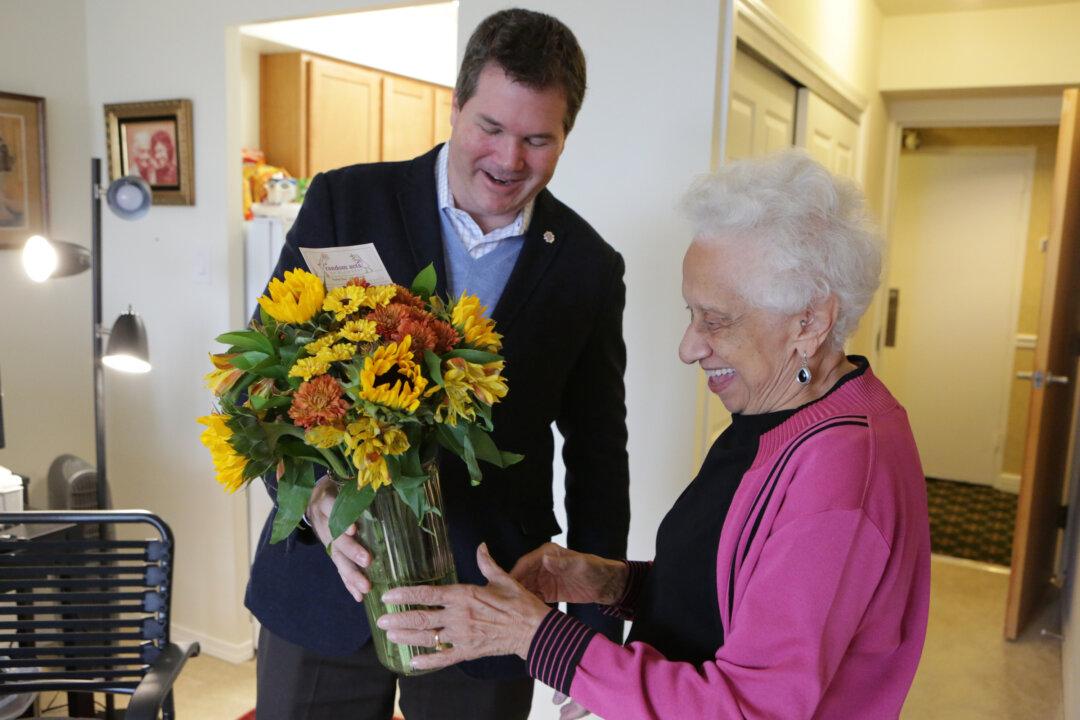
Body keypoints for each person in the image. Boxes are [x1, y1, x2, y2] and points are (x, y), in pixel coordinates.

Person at [378, 150, 932, 719]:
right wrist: (608, 583)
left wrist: (535, 637)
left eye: (715, 320)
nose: (689, 347)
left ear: (810, 322)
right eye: (691, 315)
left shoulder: (839, 476)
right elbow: (730, 600)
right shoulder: (781, 415)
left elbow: (750, 709)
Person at [246, 9, 629, 720]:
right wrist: (316, 504)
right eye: (490, 127)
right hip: (326, 587)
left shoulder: (589, 268)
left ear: (565, 136)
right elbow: (262, 381)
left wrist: (594, 643)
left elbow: (599, 453)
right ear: (455, 106)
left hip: (487, 606)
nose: (510, 159)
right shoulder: (343, 200)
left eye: (537, 139)